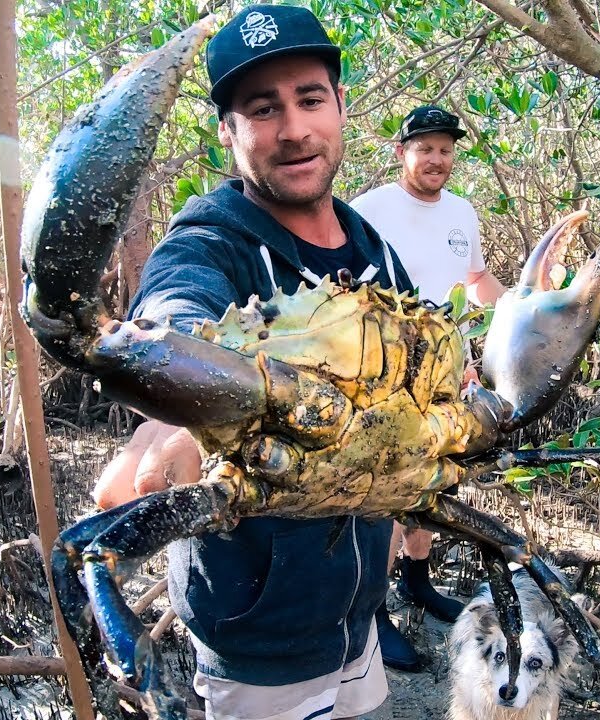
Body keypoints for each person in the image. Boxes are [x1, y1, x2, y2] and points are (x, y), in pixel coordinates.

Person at [92, 6, 415, 720]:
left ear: (339, 106)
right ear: (227, 133)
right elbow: (174, 307)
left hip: (358, 622)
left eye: (309, 99)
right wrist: (179, 402)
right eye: (262, 109)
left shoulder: (376, 248)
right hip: (258, 650)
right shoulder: (211, 241)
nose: (293, 129)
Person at [349, 104, 507, 672]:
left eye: (445, 149)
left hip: (449, 375)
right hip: (389, 383)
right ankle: (371, 614)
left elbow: (475, 281)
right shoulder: (368, 210)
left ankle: (418, 580)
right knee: (389, 494)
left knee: (439, 485)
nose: (436, 159)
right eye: (425, 148)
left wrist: (520, 306)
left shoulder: (463, 213)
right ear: (402, 152)